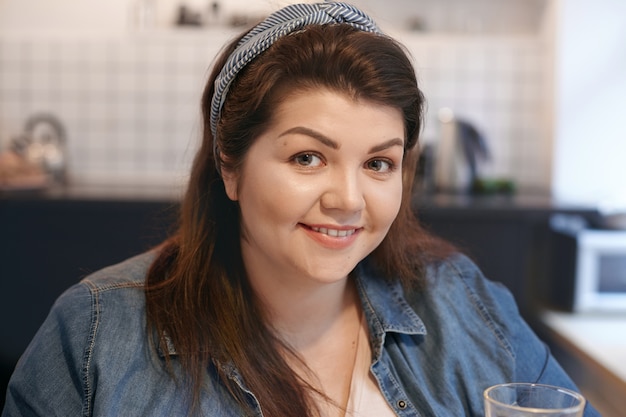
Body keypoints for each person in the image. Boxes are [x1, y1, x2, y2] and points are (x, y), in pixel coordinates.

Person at [2, 2, 600, 416]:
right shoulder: (97, 335)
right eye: (308, 158)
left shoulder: (467, 306)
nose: (347, 199)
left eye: (378, 164)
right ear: (229, 167)